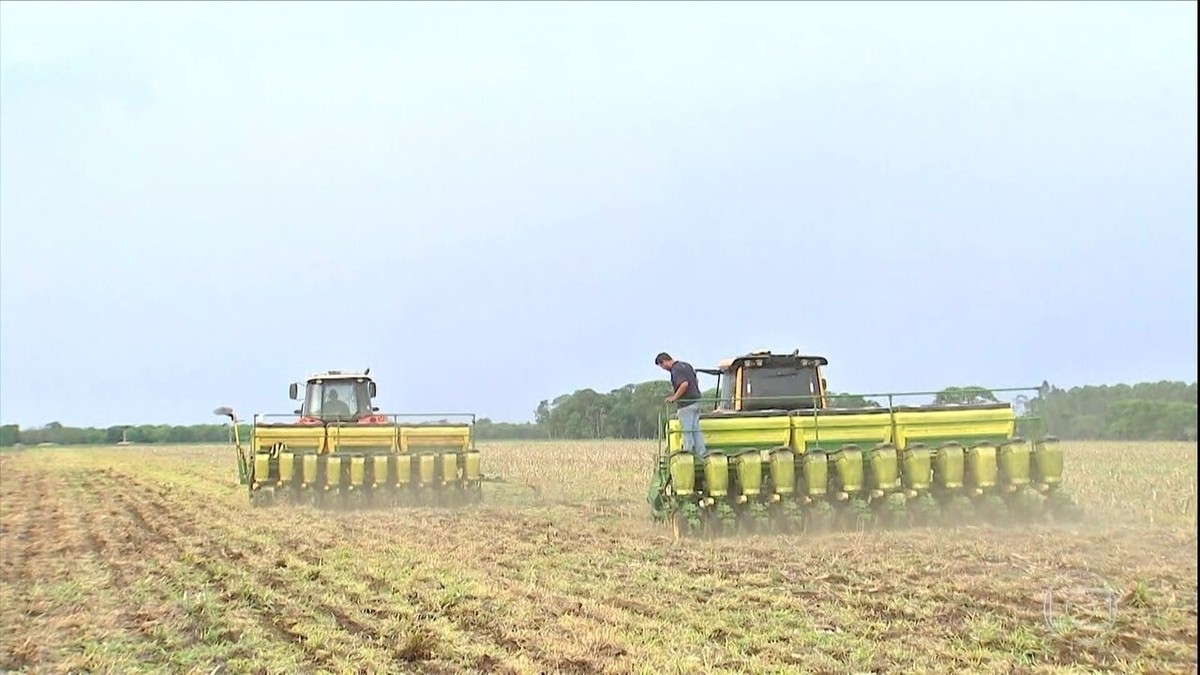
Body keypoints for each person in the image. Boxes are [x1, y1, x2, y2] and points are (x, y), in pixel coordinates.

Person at [655, 352, 709, 459]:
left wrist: (674, 397)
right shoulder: (687, 365)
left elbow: (684, 384)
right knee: (696, 430)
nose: (663, 368)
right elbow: (696, 380)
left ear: (664, 362)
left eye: (662, 366)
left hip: (686, 405)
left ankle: (687, 455)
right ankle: (702, 454)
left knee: (687, 431)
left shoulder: (676, 370)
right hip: (697, 401)